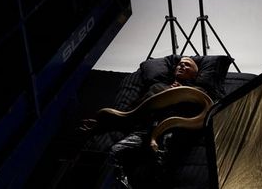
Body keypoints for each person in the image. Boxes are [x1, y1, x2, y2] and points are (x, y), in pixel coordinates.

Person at [81, 57, 210, 188]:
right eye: (180, 64)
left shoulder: (199, 93)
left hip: (170, 132)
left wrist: (180, 94)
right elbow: (133, 112)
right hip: (144, 131)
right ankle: (120, 184)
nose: (182, 66)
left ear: (195, 74)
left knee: (160, 159)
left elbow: (201, 116)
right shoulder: (157, 87)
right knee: (114, 152)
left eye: (187, 65)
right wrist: (102, 124)